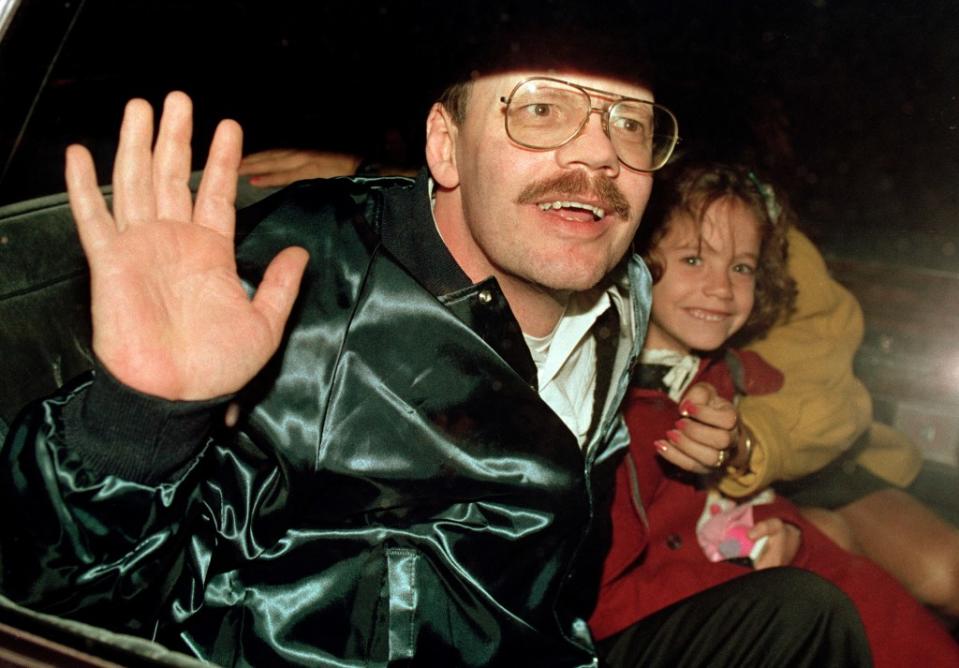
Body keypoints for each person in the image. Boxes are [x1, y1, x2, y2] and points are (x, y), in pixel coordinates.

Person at [0, 34, 872, 666]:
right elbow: (55, 606)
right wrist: (139, 419)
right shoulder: (295, 283)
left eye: (630, 125)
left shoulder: (627, 297)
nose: (598, 153)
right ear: (445, 146)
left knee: (801, 617)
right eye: (540, 109)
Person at [586, 160, 959, 666]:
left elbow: (832, 404)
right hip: (737, 609)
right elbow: (610, 602)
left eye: (741, 268)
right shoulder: (617, 409)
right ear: (634, 258)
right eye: (694, 260)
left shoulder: (719, 370)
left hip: (785, 572)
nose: (722, 288)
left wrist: (784, 525)